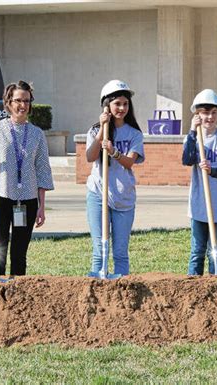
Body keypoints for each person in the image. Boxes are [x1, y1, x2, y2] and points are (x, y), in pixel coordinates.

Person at [0, 80, 54, 276]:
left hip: (26, 199)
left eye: (26, 101)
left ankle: (19, 293)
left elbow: (43, 170)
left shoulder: (37, 134)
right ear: (9, 102)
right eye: (18, 100)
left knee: (19, 253)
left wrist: (41, 206)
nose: (23, 105)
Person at [85, 80, 144, 276]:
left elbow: (129, 163)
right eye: (117, 103)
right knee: (99, 252)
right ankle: (97, 289)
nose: (122, 108)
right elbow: (89, 157)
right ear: (107, 106)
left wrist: (114, 152)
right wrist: (103, 129)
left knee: (120, 252)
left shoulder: (135, 133)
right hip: (98, 194)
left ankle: (122, 293)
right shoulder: (95, 131)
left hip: (124, 197)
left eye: (125, 104)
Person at [182, 89, 217, 275]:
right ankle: (193, 287)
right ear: (197, 115)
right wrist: (192, 131)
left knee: (216, 250)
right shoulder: (192, 138)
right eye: (205, 113)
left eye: (213, 113)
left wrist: (211, 169)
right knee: (197, 251)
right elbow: (187, 159)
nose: (209, 117)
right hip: (199, 202)